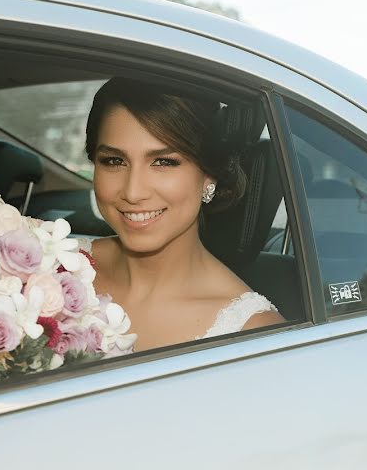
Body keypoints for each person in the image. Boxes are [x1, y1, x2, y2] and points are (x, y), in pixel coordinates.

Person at [79, 77, 285, 352]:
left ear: (209, 174)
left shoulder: (253, 333)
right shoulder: (53, 267)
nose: (133, 191)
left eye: (164, 162)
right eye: (114, 161)